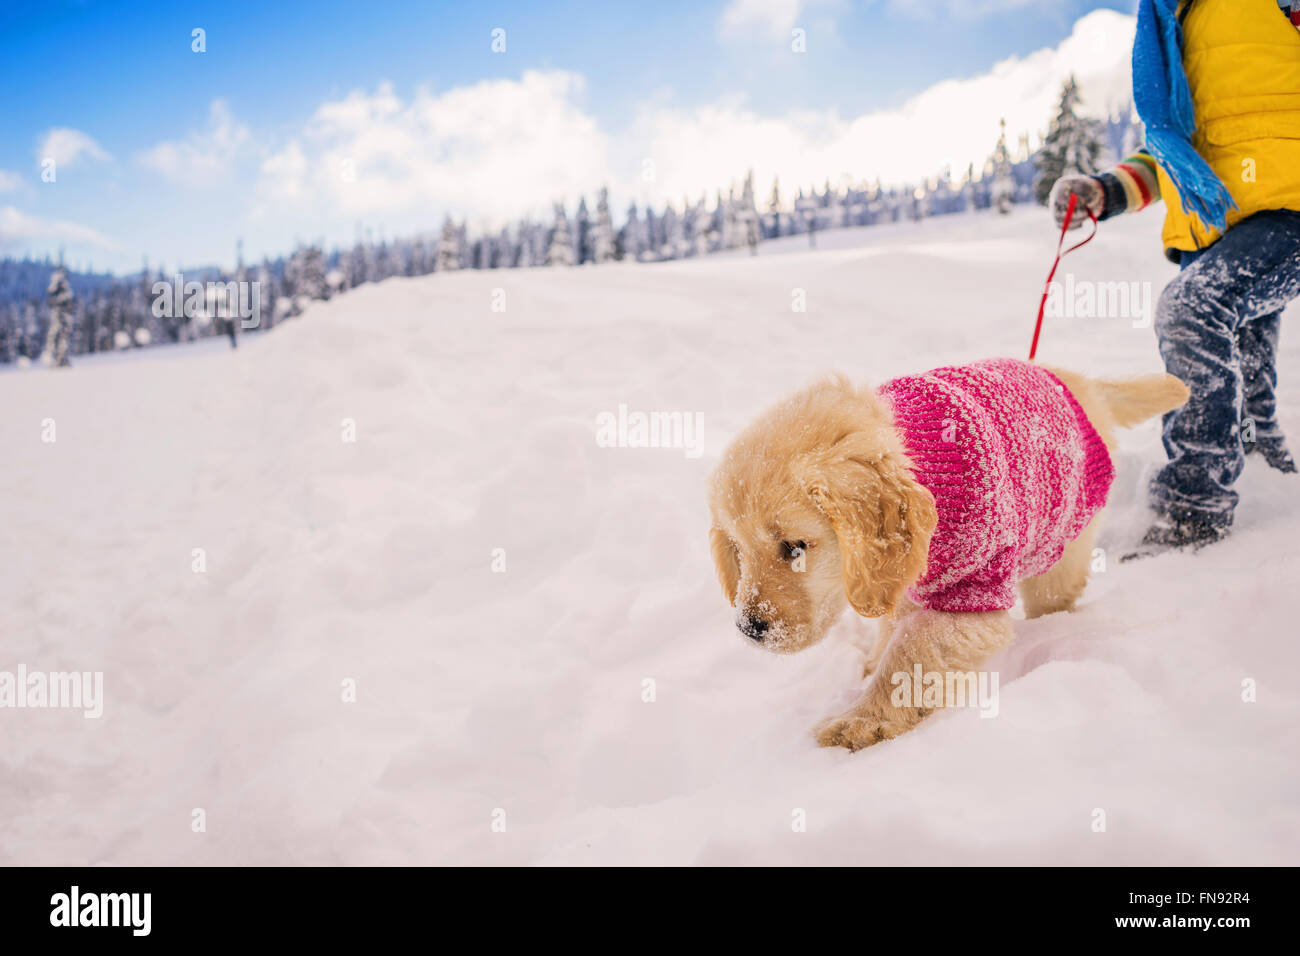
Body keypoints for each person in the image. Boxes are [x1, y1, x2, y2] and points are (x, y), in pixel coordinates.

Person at [1050, 0, 1300, 555]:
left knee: (1192, 311)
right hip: (1220, 223)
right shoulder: (1173, 21)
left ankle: (1194, 507)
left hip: (1290, 206)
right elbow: (1177, 150)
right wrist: (1106, 191)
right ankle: (1263, 462)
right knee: (1241, 349)